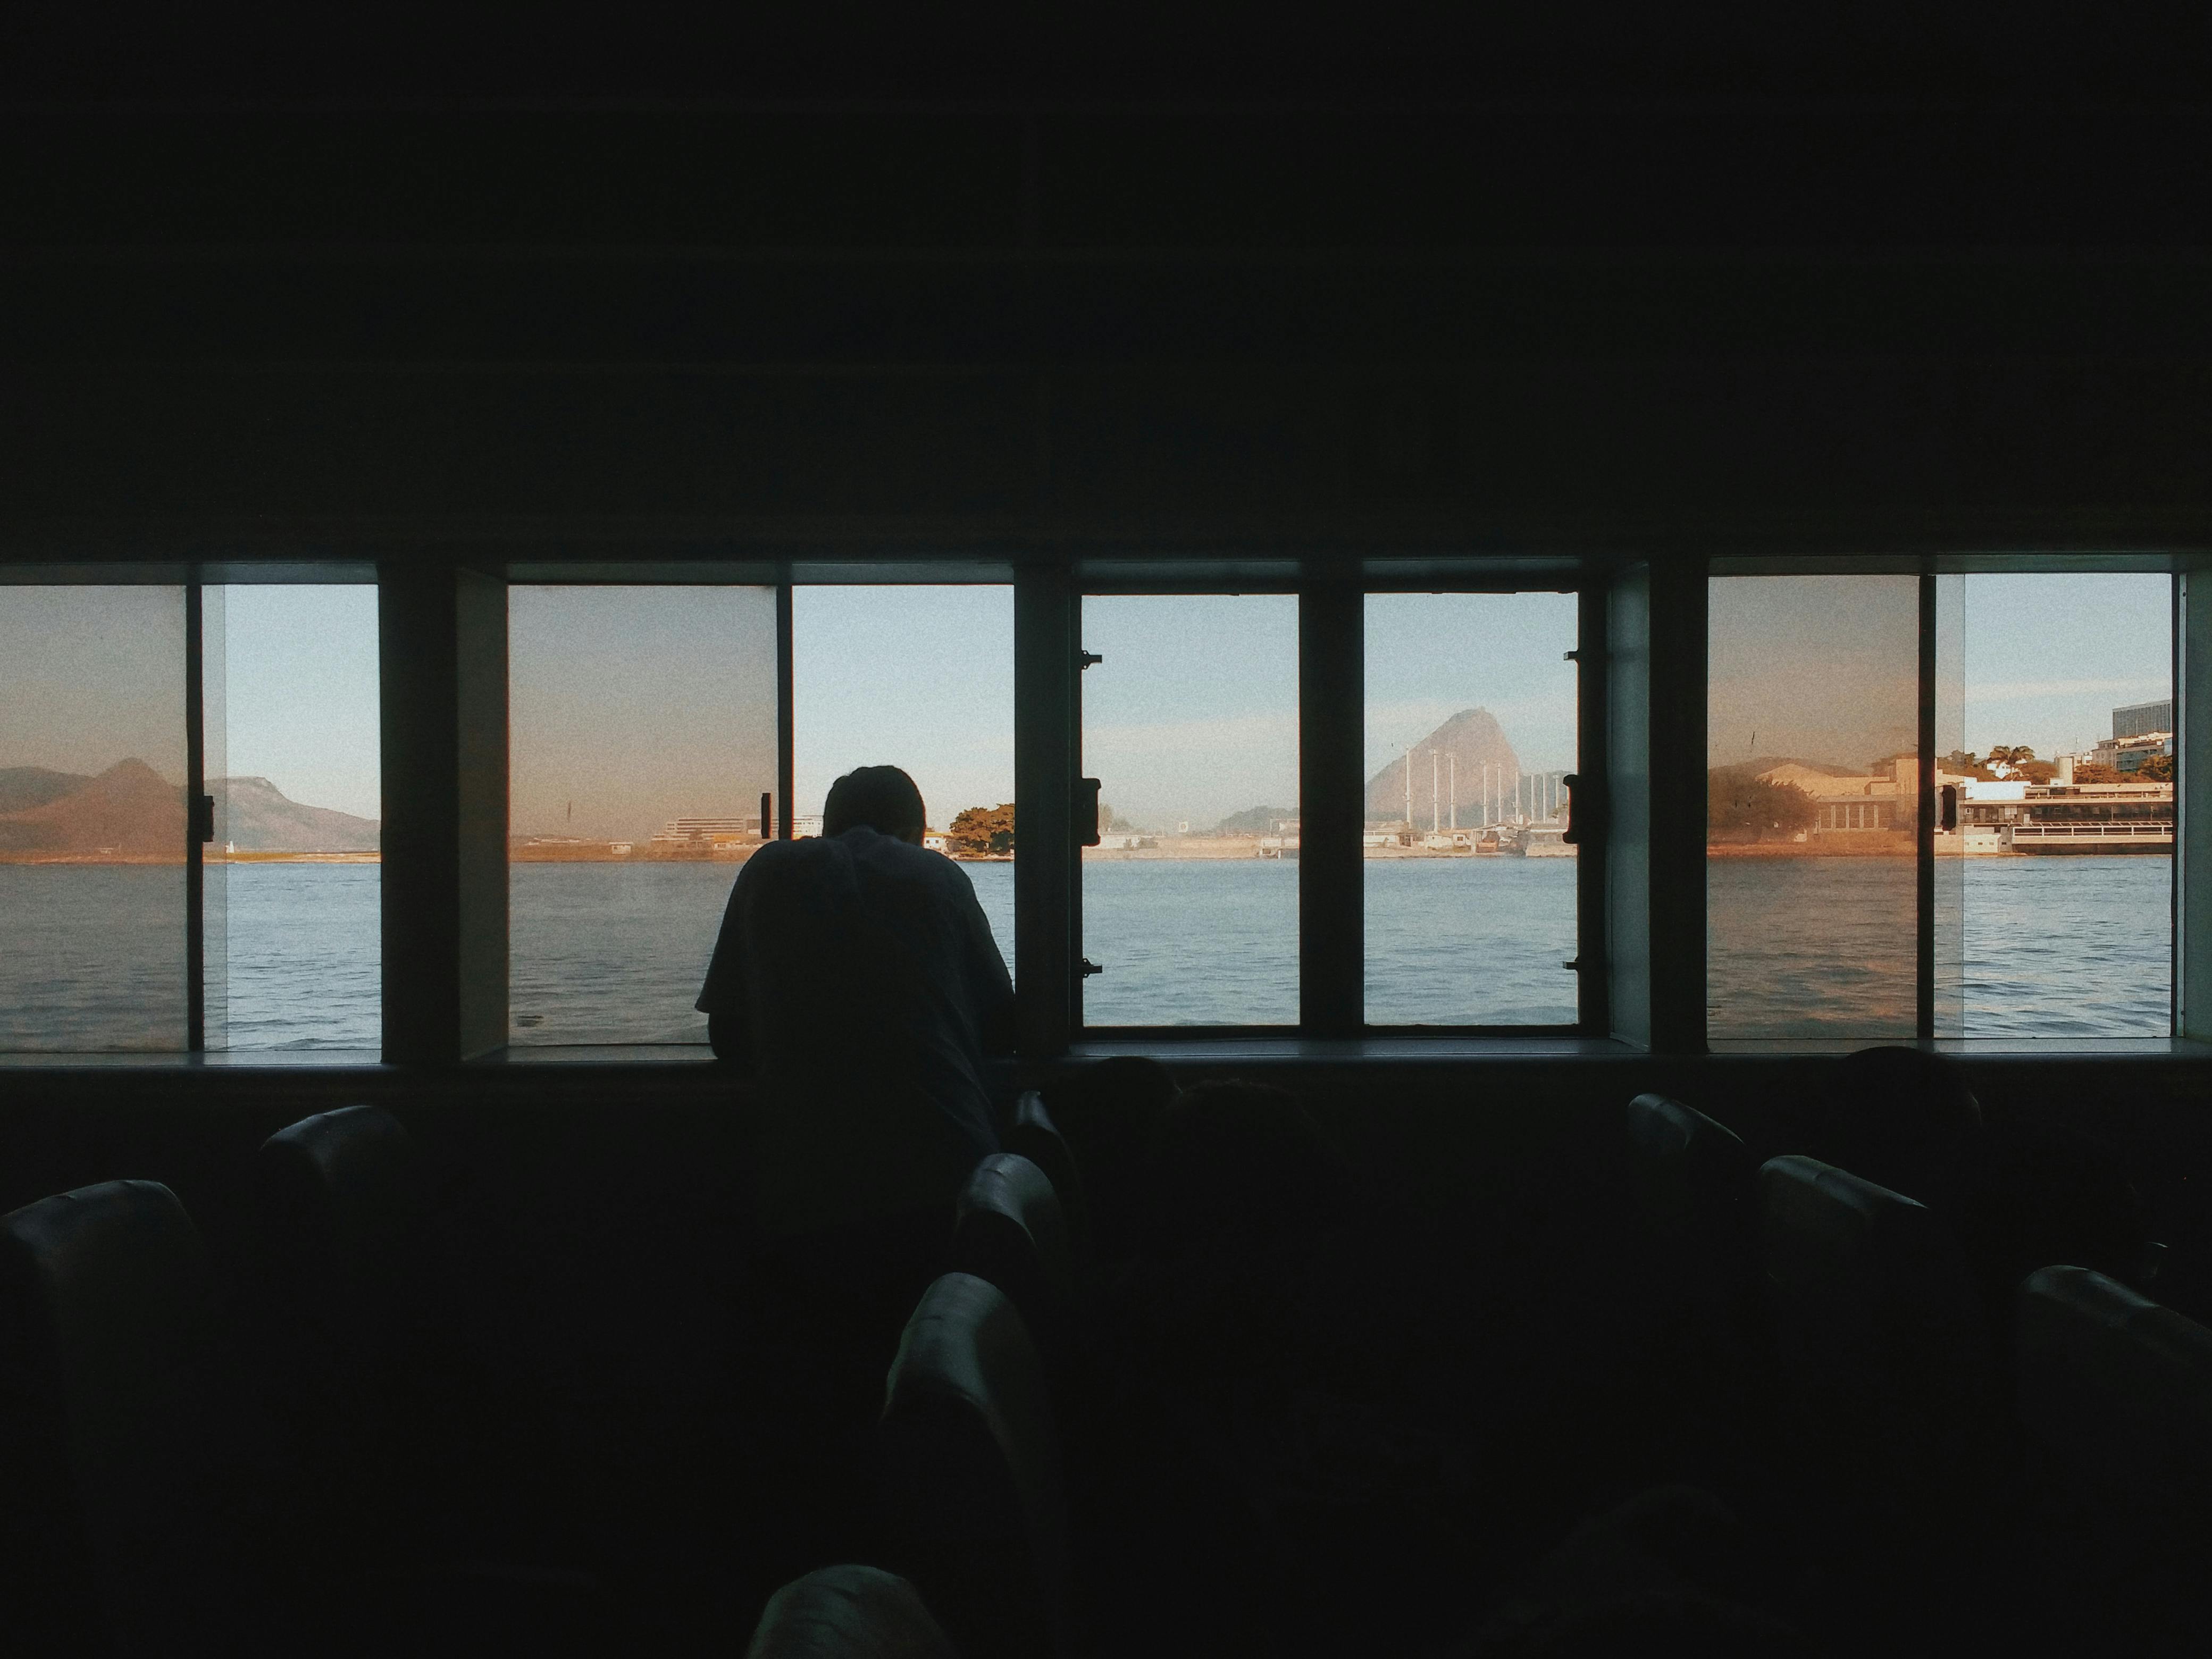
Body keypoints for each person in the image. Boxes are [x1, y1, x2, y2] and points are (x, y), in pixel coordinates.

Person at [697, 763, 1013, 1237]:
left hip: (806, 1179)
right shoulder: (939, 876)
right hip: (949, 1168)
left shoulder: (768, 870)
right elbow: (1003, 1024)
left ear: (828, 827)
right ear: (915, 831)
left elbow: (729, 1034)